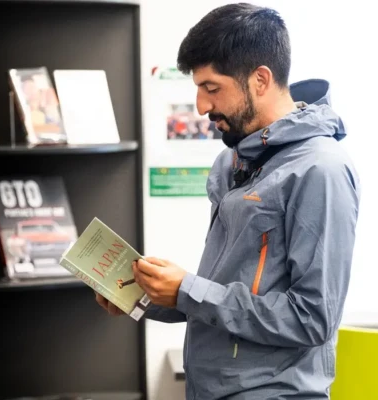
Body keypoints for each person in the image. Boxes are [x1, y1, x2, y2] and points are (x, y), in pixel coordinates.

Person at [95, 3, 360, 399]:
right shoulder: (232, 160)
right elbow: (224, 295)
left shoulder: (321, 169)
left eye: (212, 88)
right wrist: (143, 297)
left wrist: (186, 289)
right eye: (198, 88)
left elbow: (312, 319)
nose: (201, 107)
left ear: (260, 79)